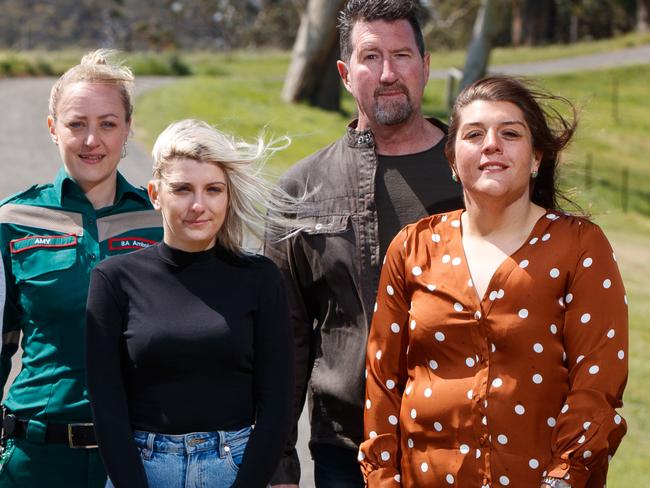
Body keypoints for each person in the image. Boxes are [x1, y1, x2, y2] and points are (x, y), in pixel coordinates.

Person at [359, 76, 628, 488]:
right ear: (452, 161)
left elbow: (598, 382)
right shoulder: (412, 249)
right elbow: (382, 384)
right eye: (474, 134)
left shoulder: (579, 247)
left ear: (537, 156)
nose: (491, 145)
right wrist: (382, 480)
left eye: (510, 133)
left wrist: (562, 478)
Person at [264, 1, 464, 486]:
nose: (389, 73)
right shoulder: (299, 190)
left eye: (402, 55)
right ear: (345, 73)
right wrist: (279, 465)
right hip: (345, 449)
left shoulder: (476, 174)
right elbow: (283, 339)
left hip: (464, 442)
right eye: (371, 57)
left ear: (427, 65)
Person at [85, 119, 296, 488]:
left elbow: (277, 405)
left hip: (235, 470)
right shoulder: (113, 279)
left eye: (213, 189)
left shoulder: (261, 278)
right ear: (155, 193)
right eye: (182, 189)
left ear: (227, 195)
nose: (199, 205)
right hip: (145, 471)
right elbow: (107, 408)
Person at [0, 50, 163, 487]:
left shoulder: (163, 222)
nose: (92, 140)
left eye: (108, 124)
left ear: (128, 129)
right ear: (53, 128)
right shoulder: (12, 220)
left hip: (139, 460)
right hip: (36, 460)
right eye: (76, 124)